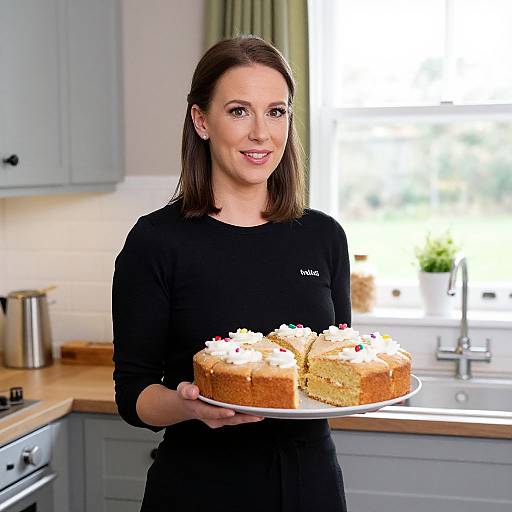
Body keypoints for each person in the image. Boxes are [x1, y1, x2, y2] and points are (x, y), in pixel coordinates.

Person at [112, 35, 351, 512]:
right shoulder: (156, 242)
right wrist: (187, 405)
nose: (261, 133)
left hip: (310, 484)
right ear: (202, 120)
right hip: (201, 486)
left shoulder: (323, 236)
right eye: (239, 111)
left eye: (276, 111)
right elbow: (133, 395)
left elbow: (332, 364)